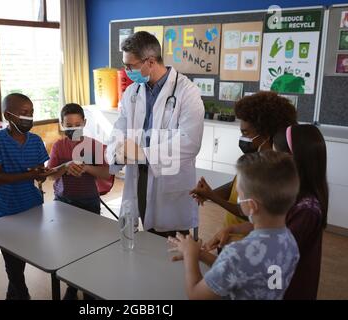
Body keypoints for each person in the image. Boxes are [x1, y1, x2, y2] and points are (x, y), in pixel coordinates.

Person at [106, 31, 204, 237]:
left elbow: (189, 142)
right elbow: (119, 128)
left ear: (149, 62)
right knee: (148, 236)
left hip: (170, 181)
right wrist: (117, 151)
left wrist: (143, 153)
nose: (126, 70)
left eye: (130, 65)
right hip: (139, 177)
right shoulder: (132, 92)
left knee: (173, 246)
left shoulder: (187, 92)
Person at [169, 150, 300, 300]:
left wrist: (190, 254)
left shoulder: (237, 252)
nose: (237, 197)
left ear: (250, 205)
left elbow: (196, 295)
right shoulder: (290, 241)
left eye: (239, 194)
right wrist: (201, 254)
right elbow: (240, 272)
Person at [190, 92, 297, 242]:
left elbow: (247, 211)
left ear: (265, 135)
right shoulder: (253, 158)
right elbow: (235, 184)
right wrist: (209, 193)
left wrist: (213, 197)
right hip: (230, 235)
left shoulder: (272, 170)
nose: (242, 138)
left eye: (246, 133)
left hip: (246, 242)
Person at [0, 93, 54, 300]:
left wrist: (43, 174)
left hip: (31, 205)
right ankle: (21, 294)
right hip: (5, 206)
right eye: (24, 113)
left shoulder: (35, 140)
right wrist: (30, 174)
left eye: (31, 113)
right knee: (12, 261)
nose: (29, 117)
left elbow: (39, 173)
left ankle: (13, 295)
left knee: (23, 253)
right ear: (8, 115)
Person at [47, 103, 111, 300]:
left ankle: (89, 285)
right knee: (68, 248)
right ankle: (72, 285)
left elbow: (106, 172)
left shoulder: (93, 146)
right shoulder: (59, 146)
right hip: (63, 203)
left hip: (89, 202)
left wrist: (87, 168)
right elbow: (50, 175)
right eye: (69, 125)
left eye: (77, 124)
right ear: (62, 125)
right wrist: (66, 166)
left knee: (89, 248)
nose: (73, 128)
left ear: (84, 123)